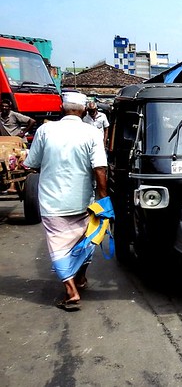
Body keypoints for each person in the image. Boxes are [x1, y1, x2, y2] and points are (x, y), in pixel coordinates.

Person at [23, 92, 107, 311]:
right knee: (85, 240)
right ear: (82, 110)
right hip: (83, 200)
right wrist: (103, 196)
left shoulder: (45, 130)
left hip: (53, 201)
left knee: (58, 244)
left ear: (62, 108)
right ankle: (79, 279)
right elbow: (100, 167)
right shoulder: (92, 132)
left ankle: (71, 290)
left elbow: (32, 163)